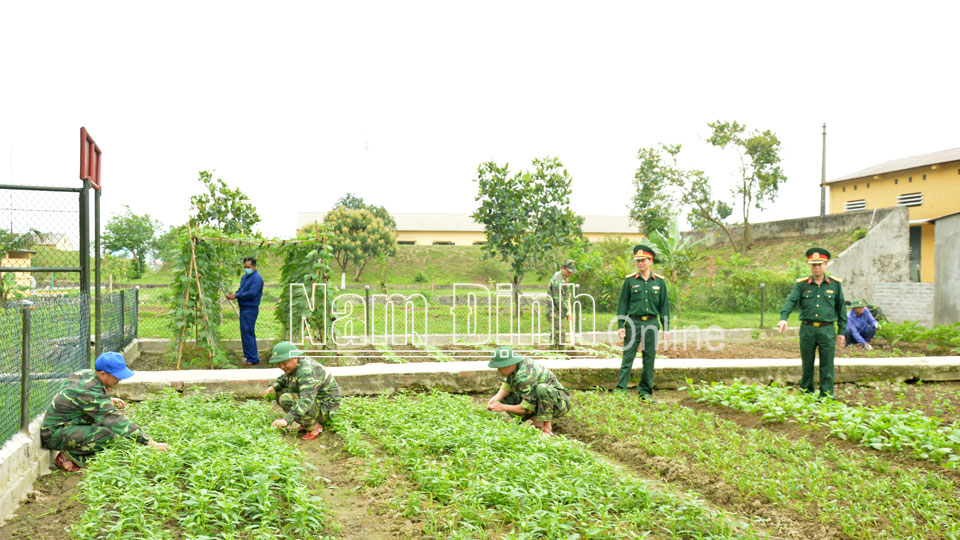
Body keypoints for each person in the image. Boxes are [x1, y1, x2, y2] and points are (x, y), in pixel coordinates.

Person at [40, 352, 170, 471]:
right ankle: (70, 458)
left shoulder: (85, 375)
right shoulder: (90, 392)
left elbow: (78, 397)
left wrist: (107, 400)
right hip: (54, 434)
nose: (120, 380)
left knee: (104, 427)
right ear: (103, 374)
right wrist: (148, 442)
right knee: (107, 434)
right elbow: (115, 420)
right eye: (116, 376)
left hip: (66, 425)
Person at [777, 247, 846, 398]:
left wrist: (841, 332)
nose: (816, 267)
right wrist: (784, 317)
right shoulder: (802, 284)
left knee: (827, 364)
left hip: (827, 330)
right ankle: (807, 394)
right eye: (813, 264)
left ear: (826, 264)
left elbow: (841, 309)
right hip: (807, 329)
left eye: (819, 264)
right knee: (807, 364)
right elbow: (791, 300)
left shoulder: (835, 285)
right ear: (809, 265)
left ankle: (826, 395)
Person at [616, 244, 670, 400]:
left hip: (652, 324)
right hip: (633, 323)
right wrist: (621, 326)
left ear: (650, 261)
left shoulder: (659, 282)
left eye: (643, 260)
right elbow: (623, 305)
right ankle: (621, 390)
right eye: (638, 261)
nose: (640, 263)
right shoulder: (630, 281)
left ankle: (645, 392)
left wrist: (666, 327)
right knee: (628, 357)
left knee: (649, 358)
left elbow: (664, 306)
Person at [264, 341, 341, 441]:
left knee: (285, 399)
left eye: (284, 363)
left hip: (326, 408)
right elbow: (285, 378)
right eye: (279, 364)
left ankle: (315, 426)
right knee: (279, 392)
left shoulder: (306, 371)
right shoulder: (296, 365)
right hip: (316, 401)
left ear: (295, 358)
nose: (282, 367)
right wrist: (273, 386)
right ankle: (306, 422)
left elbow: (306, 400)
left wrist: (286, 420)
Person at [486, 346, 570, 436]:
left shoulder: (525, 376)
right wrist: (496, 397)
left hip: (558, 404)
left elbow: (526, 409)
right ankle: (537, 421)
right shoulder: (516, 364)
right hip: (539, 399)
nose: (498, 370)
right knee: (506, 398)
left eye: (499, 367)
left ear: (508, 365)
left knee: (542, 389)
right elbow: (508, 383)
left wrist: (502, 407)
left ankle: (547, 428)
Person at [226, 256, 264, 365]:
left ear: (254, 266)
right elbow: (242, 290)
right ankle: (249, 356)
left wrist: (236, 295)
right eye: (245, 267)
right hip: (244, 308)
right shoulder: (245, 277)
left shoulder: (257, 278)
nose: (246, 269)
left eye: (248, 267)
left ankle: (252, 358)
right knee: (246, 333)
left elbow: (252, 293)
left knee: (248, 333)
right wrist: (234, 294)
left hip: (250, 309)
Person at [548, 259, 576, 343]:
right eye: (569, 271)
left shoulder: (563, 278)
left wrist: (567, 293)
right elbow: (558, 299)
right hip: (554, 310)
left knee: (557, 335)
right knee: (560, 334)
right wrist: (567, 313)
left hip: (558, 310)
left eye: (572, 272)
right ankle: (558, 353)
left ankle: (556, 354)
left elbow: (563, 293)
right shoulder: (558, 279)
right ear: (563, 268)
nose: (570, 274)